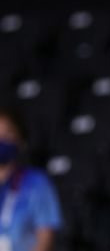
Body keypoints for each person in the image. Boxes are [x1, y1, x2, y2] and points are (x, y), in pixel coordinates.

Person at [0, 107, 62, 251]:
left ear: (20, 140)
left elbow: (45, 238)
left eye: (7, 133)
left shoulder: (37, 183)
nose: (1, 139)